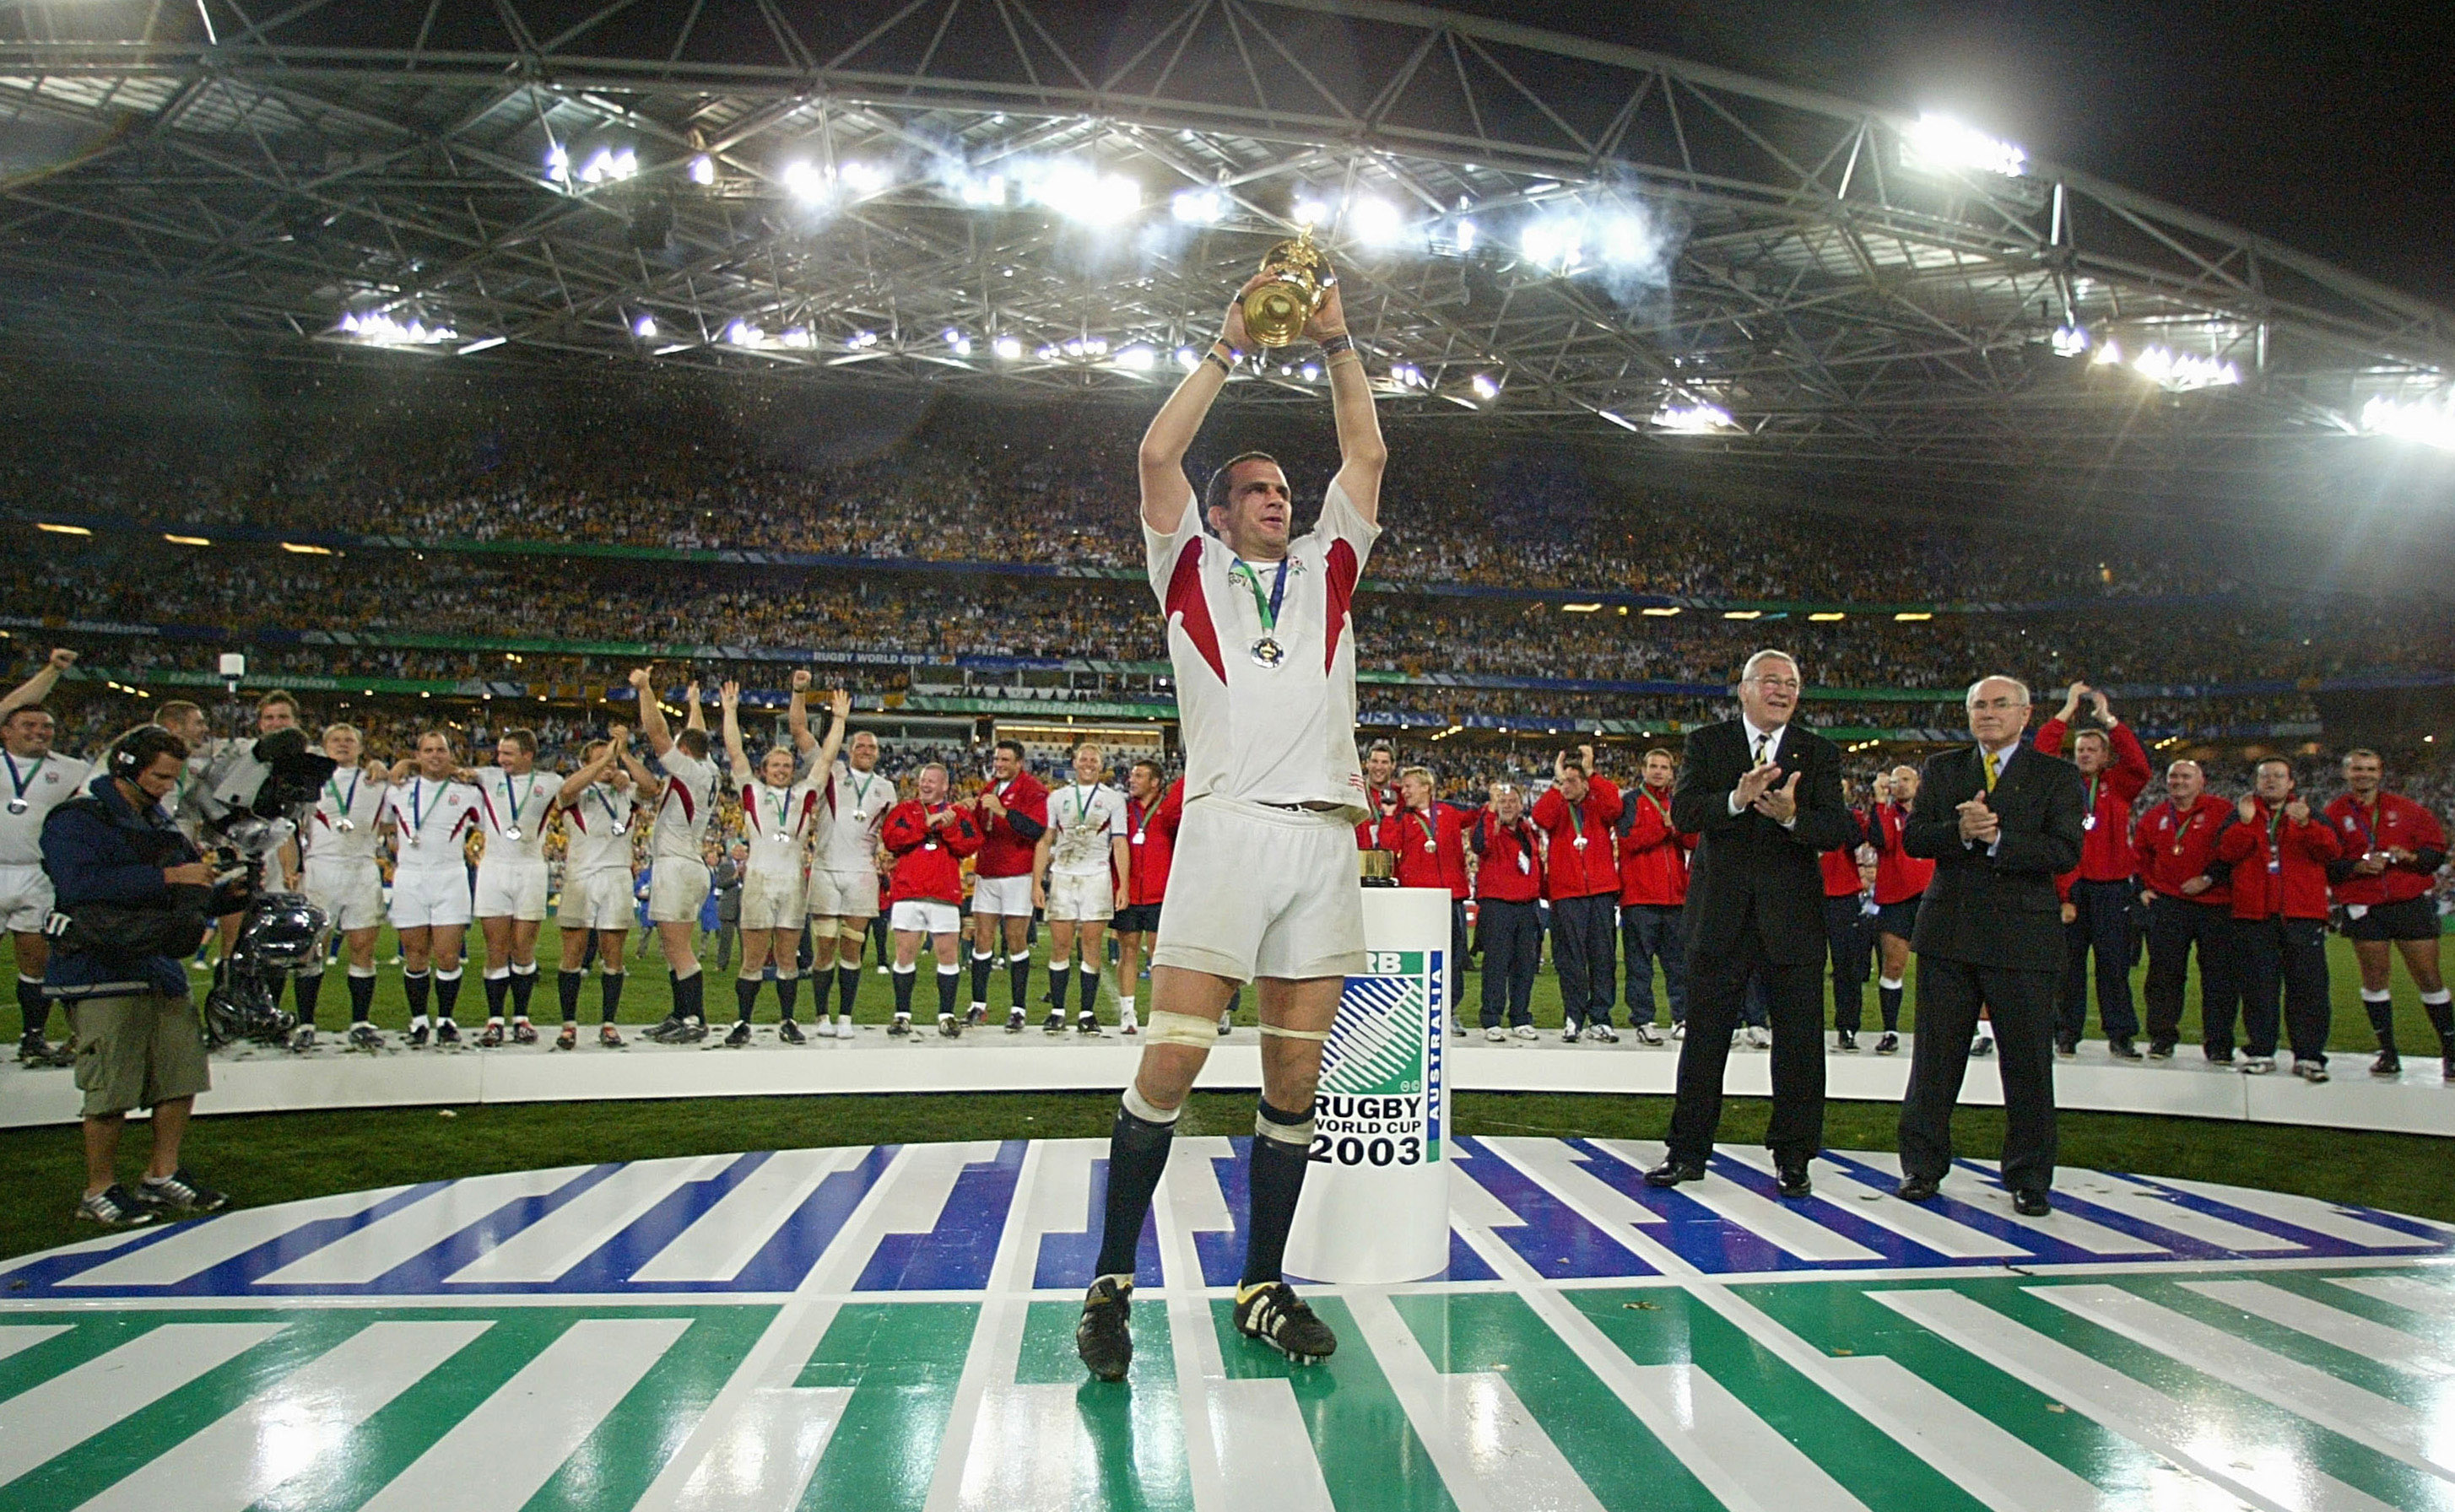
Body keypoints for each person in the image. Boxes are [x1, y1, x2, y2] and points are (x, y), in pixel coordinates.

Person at [1078, 262, 1386, 1381]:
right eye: (1257, 488)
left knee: (1295, 1083)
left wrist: (1337, 342)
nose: (1279, 500)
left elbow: (1368, 455)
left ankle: (1260, 1283)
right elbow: (1154, 457)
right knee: (1172, 1063)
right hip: (1226, 827)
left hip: (1318, 837)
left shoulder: (1329, 566)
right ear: (1219, 511)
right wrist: (1224, 346)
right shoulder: (1188, 567)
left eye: (1281, 491)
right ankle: (1110, 1283)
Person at [1649, 650, 1852, 1199]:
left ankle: (1793, 1157)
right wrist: (1736, 799)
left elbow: (1836, 829)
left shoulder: (1817, 751)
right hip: (1720, 917)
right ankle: (1687, 1152)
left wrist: (1791, 816)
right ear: (1742, 690)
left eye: (1791, 682)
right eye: (1770, 681)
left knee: (1799, 1046)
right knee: (1704, 1041)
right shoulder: (1708, 744)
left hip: (1793, 922)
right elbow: (1686, 815)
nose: (1782, 690)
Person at [1894, 676, 2086, 1215]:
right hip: (1949, 934)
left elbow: (2066, 850)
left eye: (2001, 704)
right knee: (1934, 1061)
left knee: (2026, 1063)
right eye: (1978, 704)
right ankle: (1922, 1168)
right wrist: (1960, 831)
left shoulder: (2057, 776)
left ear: (2026, 715)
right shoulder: (1943, 769)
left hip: (2023, 939)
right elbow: (1915, 839)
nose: (1988, 713)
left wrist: (1998, 839)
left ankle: (2029, 1176)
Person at [45, 722, 230, 1227]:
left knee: (180, 1074)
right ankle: (98, 1187)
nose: (167, 786)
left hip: (157, 962)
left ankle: (161, 1172)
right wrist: (170, 876)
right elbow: (79, 883)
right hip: (99, 963)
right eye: (160, 776)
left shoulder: (161, 823)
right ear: (126, 765)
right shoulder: (76, 818)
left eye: (173, 778)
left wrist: (223, 889)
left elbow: (185, 886)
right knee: (111, 1085)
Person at [723, 680, 845, 1045]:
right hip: (759, 882)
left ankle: (788, 1020)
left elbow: (825, 759)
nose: (781, 769)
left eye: (787, 764)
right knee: (753, 960)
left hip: (792, 883)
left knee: (788, 959)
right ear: (764, 769)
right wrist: (729, 711)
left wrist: (838, 720)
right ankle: (742, 1022)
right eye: (775, 764)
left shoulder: (805, 792)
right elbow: (734, 753)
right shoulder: (752, 791)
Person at [2033, 683, 2151, 1059]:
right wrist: (2067, 710)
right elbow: (2041, 753)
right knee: (2067, 968)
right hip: (2071, 887)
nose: (2084, 754)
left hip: (2113, 888)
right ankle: (2066, 1033)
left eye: (2092, 749)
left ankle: (2120, 1034)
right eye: (2080, 749)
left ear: (2105, 756)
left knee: (2113, 967)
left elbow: (2139, 764)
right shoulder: (2062, 783)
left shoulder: (2118, 785)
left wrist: (2109, 720)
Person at [2327, 748, 2452, 1075]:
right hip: (2364, 904)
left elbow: (2435, 855)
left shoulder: (2407, 809)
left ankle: (2451, 1053)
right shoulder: (2333, 813)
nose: (2363, 774)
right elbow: (2328, 864)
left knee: (2428, 977)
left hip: (2408, 901)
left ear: (2380, 773)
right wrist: (2358, 866)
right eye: (2357, 769)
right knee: (2375, 977)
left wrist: (2409, 858)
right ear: (2346, 774)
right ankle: (2388, 1052)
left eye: (2370, 769)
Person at [2218, 757, 2341, 1082]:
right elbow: (2226, 854)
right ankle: (2260, 1050)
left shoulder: (2310, 814)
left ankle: (2309, 1055)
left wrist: (2307, 825)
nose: (2271, 781)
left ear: (2291, 783)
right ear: (2256, 782)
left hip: (2302, 913)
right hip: (2254, 914)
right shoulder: (2242, 812)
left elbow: (2331, 852)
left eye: (2278, 776)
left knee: (2309, 987)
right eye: (2265, 776)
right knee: (2259, 987)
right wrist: (2245, 824)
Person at [0, 658, 94, 1066]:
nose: (40, 733)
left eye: (47, 728)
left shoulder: (72, 770)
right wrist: (52, 671)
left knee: (35, 960)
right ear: (6, 731)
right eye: (29, 726)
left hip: (38, 875)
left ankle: (33, 1035)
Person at [631, 668, 719, 1043]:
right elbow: (693, 735)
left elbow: (658, 734)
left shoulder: (687, 769)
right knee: (672, 947)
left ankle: (695, 1018)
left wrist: (645, 689)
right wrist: (694, 705)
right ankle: (681, 1013)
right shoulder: (708, 767)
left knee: (678, 948)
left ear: (684, 752)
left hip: (678, 865)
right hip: (687, 864)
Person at [294, 723, 392, 1050]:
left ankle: (360, 1022)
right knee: (311, 950)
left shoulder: (375, 781)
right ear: (324, 746)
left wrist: (388, 770)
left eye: (350, 740)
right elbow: (293, 826)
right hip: (321, 868)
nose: (343, 744)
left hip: (362, 868)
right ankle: (306, 1023)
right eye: (336, 740)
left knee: (363, 948)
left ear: (361, 748)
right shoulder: (309, 779)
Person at [2133, 759, 2237, 1061]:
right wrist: (2143, 888)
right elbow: (2139, 856)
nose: (2179, 781)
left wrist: (2209, 879)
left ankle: (2219, 1042)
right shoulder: (2154, 817)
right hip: (2169, 904)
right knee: (2164, 975)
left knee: (2219, 977)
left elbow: (2234, 851)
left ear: (2201, 781)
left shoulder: (2222, 811)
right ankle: (2162, 1037)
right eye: (2173, 776)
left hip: (2215, 904)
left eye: (2186, 776)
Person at [550, 728, 647, 1049]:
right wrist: (603, 761)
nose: (607, 767)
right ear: (585, 765)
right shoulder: (576, 792)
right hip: (581, 874)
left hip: (617, 875)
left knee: (613, 954)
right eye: (599, 762)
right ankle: (568, 1024)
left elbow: (652, 787)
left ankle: (608, 1023)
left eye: (609, 761)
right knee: (573, 953)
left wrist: (625, 761)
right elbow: (565, 790)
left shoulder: (626, 792)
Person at [385, 730, 481, 1047]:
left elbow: (489, 822)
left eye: (441, 750)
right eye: (428, 750)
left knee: (448, 954)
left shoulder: (468, 793)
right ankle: (418, 1021)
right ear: (418, 754)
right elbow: (384, 823)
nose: (435, 756)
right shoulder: (398, 789)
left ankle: (446, 1020)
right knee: (415, 954)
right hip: (410, 875)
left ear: (450, 754)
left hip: (450, 875)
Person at [468, 727, 559, 1046]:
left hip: (531, 869)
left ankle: (521, 1017)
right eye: (499, 752)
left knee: (523, 948)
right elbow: (444, 770)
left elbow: (579, 785)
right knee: (495, 948)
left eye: (508, 753)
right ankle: (494, 1020)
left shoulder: (550, 782)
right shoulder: (486, 777)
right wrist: (401, 767)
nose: (500, 758)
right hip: (494, 868)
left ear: (528, 755)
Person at [803, 710, 890, 1040]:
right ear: (849, 750)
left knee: (852, 951)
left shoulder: (886, 788)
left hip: (862, 874)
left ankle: (846, 1017)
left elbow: (891, 833)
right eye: (860, 746)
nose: (866, 751)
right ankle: (822, 1015)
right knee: (824, 948)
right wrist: (802, 696)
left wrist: (888, 854)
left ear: (878, 753)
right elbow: (800, 732)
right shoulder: (831, 771)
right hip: (826, 869)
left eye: (872, 748)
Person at [1036, 742, 1133, 1034]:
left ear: (1101, 766)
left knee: (1092, 945)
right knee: (1061, 946)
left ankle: (1087, 1014)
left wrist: (1123, 885)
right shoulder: (1057, 797)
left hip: (1097, 877)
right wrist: (1036, 882)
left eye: (1094, 760)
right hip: (1063, 875)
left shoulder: (1114, 799)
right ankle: (1057, 1012)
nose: (1088, 763)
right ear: (1075, 764)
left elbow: (1119, 842)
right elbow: (1046, 840)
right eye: (1083, 759)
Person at [882, 763, 984, 1034]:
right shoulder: (905, 810)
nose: (925, 785)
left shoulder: (958, 814)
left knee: (948, 955)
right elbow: (891, 840)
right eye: (923, 780)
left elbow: (971, 844)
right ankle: (902, 1015)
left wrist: (947, 828)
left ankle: (946, 1016)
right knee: (904, 954)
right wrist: (926, 824)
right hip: (908, 891)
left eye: (932, 781)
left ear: (945, 786)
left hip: (944, 893)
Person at [1532, 743, 1622, 1043]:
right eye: (1563, 781)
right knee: (1570, 959)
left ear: (1585, 783)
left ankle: (1601, 1017)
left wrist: (1592, 770)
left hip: (1601, 891)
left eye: (1573, 781)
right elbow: (1540, 817)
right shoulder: (1558, 808)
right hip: (1566, 893)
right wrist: (1558, 782)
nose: (1567, 786)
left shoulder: (1598, 805)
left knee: (1602, 958)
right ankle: (1573, 1016)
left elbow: (1615, 807)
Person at [1375, 764, 1472, 1022]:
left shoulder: (1449, 812)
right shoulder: (1403, 818)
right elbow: (1387, 845)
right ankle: (1416, 1010)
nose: (1403, 791)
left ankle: (1448, 1012)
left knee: (1451, 959)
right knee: (1417, 956)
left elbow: (1480, 815)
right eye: (1403, 786)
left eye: (1409, 786)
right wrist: (1388, 815)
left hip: (1449, 897)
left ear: (1426, 787)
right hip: (1416, 900)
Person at [965, 739, 1048, 1026]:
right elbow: (978, 829)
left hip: (1018, 874)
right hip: (987, 873)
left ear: (1019, 763)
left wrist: (1003, 812)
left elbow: (1037, 831)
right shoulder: (989, 789)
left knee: (1015, 940)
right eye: (997, 760)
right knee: (982, 938)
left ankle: (1018, 1010)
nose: (998, 765)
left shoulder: (1035, 791)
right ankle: (978, 1005)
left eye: (1005, 760)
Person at [1617, 747, 1692, 1045]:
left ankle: (1681, 1017)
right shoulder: (1631, 802)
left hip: (1675, 898)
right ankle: (1644, 1020)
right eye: (1653, 766)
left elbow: (1693, 839)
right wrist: (1664, 829)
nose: (1659, 771)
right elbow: (1627, 841)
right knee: (1639, 965)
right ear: (1643, 770)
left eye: (1664, 766)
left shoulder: (1678, 802)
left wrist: (1678, 829)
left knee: (1678, 964)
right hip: (1639, 898)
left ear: (1672, 773)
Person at [1862, 764, 1932, 1055]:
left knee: (1945, 968)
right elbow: (1881, 841)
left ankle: (1973, 1032)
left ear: (1918, 783)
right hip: (1895, 899)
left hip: (1931, 896)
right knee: (1893, 965)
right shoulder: (1885, 814)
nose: (1900, 784)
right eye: (1894, 780)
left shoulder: (1932, 813)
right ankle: (1890, 1030)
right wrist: (1879, 801)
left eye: (1905, 779)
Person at [1112, 760, 1183, 1037]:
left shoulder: (1167, 809)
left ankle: (1159, 1013)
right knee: (1127, 951)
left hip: (1159, 891)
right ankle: (1128, 1012)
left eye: (1139, 776)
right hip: (1128, 891)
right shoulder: (1123, 809)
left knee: (1159, 955)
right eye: (1131, 775)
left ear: (1155, 782)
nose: (1132, 780)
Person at [1471, 781, 1544, 1041]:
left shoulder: (1527, 830)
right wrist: (1491, 810)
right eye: (1503, 801)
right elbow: (1480, 845)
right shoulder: (1489, 825)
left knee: (1525, 966)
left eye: (1513, 801)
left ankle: (1520, 1017)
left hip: (1527, 905)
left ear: (1521, 804)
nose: (1508, 806)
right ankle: (1491, 1019)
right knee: (1496, 965)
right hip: (1498, 905)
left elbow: (1536, 864)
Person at [1816, 783, 1874, 1050]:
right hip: (1807, 896)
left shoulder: (1848, 817)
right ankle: (1804, 1027)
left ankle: (1848, 1026)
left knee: (1847, 967)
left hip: (1843, 896)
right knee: (1803, 968)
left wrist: (1839, 811)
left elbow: (1856, 840)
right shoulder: (1801, 814)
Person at [1356, 740, 1401, 849]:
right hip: (1361, 859)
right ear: (1367, 763)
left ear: (1393, 765)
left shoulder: (1402, 794)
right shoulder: (1356, 792)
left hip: (1392, 859)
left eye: (1384, 762)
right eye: (1374, 761)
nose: (1379, 767)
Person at [712, 841, 745, 973]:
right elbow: (720, 884)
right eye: (736, 851)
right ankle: (721, 965)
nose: (739, 853)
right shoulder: (725, 866)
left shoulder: (748, 866)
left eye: (741, 851)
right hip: (728, 906)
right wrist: (734, 877)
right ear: (732, 853)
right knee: (726, 939)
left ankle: (746, 965)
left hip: (744, 907)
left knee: (745, 940)